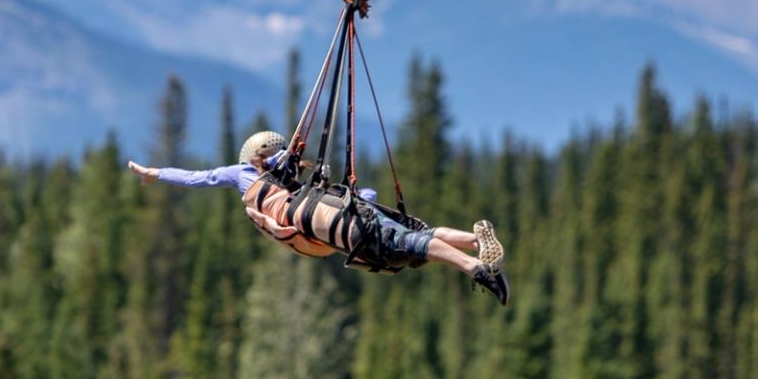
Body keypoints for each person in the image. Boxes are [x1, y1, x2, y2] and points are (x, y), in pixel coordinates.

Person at [127, 129, 510, 304]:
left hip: (332, 222)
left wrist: (154, 173)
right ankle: (476, 238)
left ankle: (477, 266)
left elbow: (198, 179)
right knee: (416, 236)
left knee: (406, 245)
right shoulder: (283, 181)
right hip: (345, 210)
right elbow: (367, 195)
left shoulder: (256, 184)